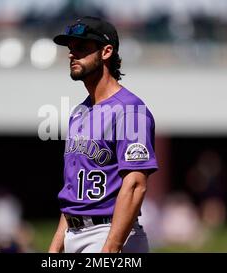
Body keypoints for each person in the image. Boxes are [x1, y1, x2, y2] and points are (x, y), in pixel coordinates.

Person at [49, 16, 159, 253]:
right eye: (70, 48)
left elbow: (135, 184)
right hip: (74, 235)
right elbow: (74, 196)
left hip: (109, 235)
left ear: (106, 51)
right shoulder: (79, 112)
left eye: (81, 47)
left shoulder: (130, 110)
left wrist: (110, 249)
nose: (72, 54)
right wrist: (55, 247)